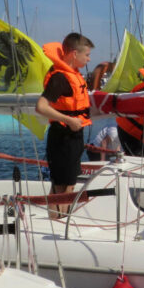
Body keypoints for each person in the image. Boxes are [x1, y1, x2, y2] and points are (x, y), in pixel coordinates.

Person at [37, 33, 94, 217]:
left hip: (74, 136)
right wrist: (69, 120)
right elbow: (41, 106)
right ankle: (55, 224)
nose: (89, 58)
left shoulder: (74, 76)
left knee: (69, 184)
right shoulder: (60, 78)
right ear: (74, 54)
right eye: (87, 54)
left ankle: (63, 222)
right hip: (62, 136)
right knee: (60, 187)